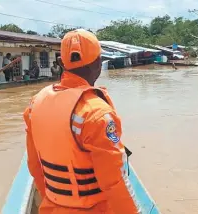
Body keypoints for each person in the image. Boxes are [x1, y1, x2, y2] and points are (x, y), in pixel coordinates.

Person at [23, 29, 140, 214]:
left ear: (61, 63)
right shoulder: (96, 113)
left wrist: (55, 200)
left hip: (52, 207)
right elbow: (114, 182)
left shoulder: (35, 104)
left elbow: (34, 166)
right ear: (98, 63)